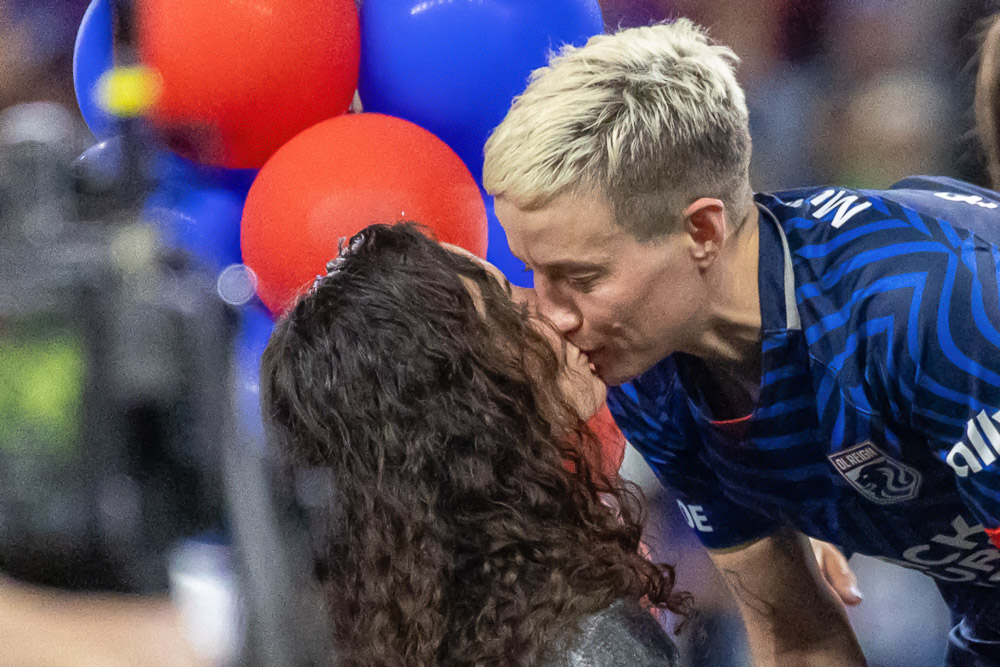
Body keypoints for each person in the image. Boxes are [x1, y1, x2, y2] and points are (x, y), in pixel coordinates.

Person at [483, 18, 1000, 667]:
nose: (553, 315)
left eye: (582, 277)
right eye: (536, 274)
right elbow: (799, 639)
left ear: (702, 230)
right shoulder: (650, 374)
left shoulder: (930, 309)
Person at [258, 222, 688, 666]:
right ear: (460, 407)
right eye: (511, 310)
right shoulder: (589, 643)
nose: (552, 309)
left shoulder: (403, 634)